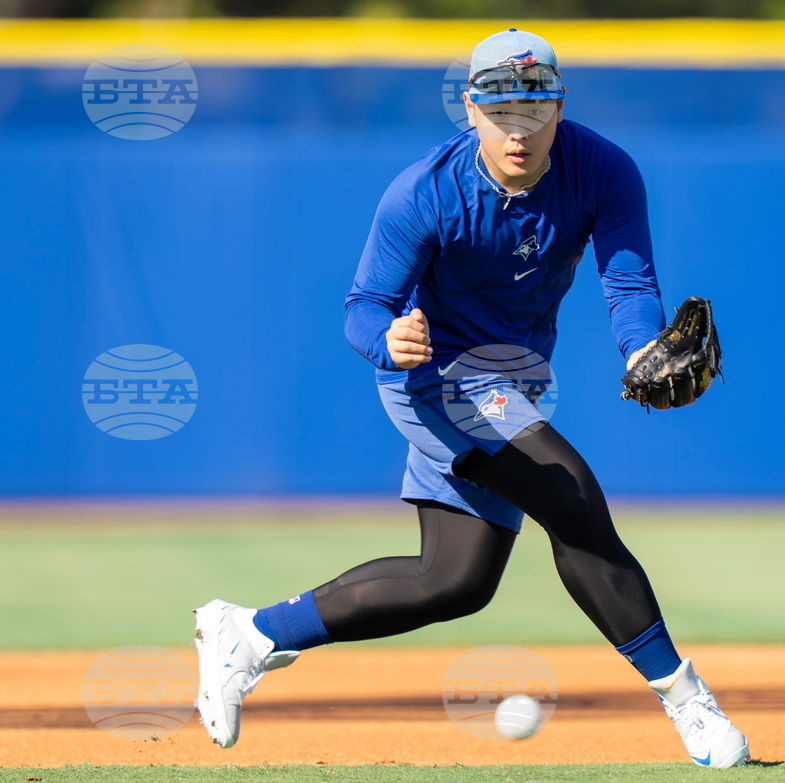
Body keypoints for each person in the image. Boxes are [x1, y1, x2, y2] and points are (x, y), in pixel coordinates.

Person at [193, 28, 750, 769]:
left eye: (534, 109)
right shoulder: (426, 190)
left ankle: (252, 632)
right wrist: (387, 339)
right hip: (434, 377)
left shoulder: (605, 171)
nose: (517, 131)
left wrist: (643, 347)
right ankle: (687, 700)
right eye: (499, 111)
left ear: (560, 106)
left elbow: (629, 286)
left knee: (453, 580)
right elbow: (362, 304)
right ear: (470, 108)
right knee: (570, 496)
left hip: (514, 382)